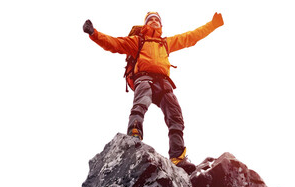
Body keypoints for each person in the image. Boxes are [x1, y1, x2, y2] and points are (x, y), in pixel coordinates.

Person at [83, 12, 224, 174]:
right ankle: (134, 136)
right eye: (151, 20)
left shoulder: (166, 43)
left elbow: (191, 37)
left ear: (161, 25)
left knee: (175, 116)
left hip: (164, 83)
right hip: (144, 78)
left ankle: (177, 157)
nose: (155, 21)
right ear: (146, 24)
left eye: (157, 19)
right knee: (141, 103)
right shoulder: (138, 41)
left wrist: (213, 24)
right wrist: (94, 34)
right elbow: (115, 43)